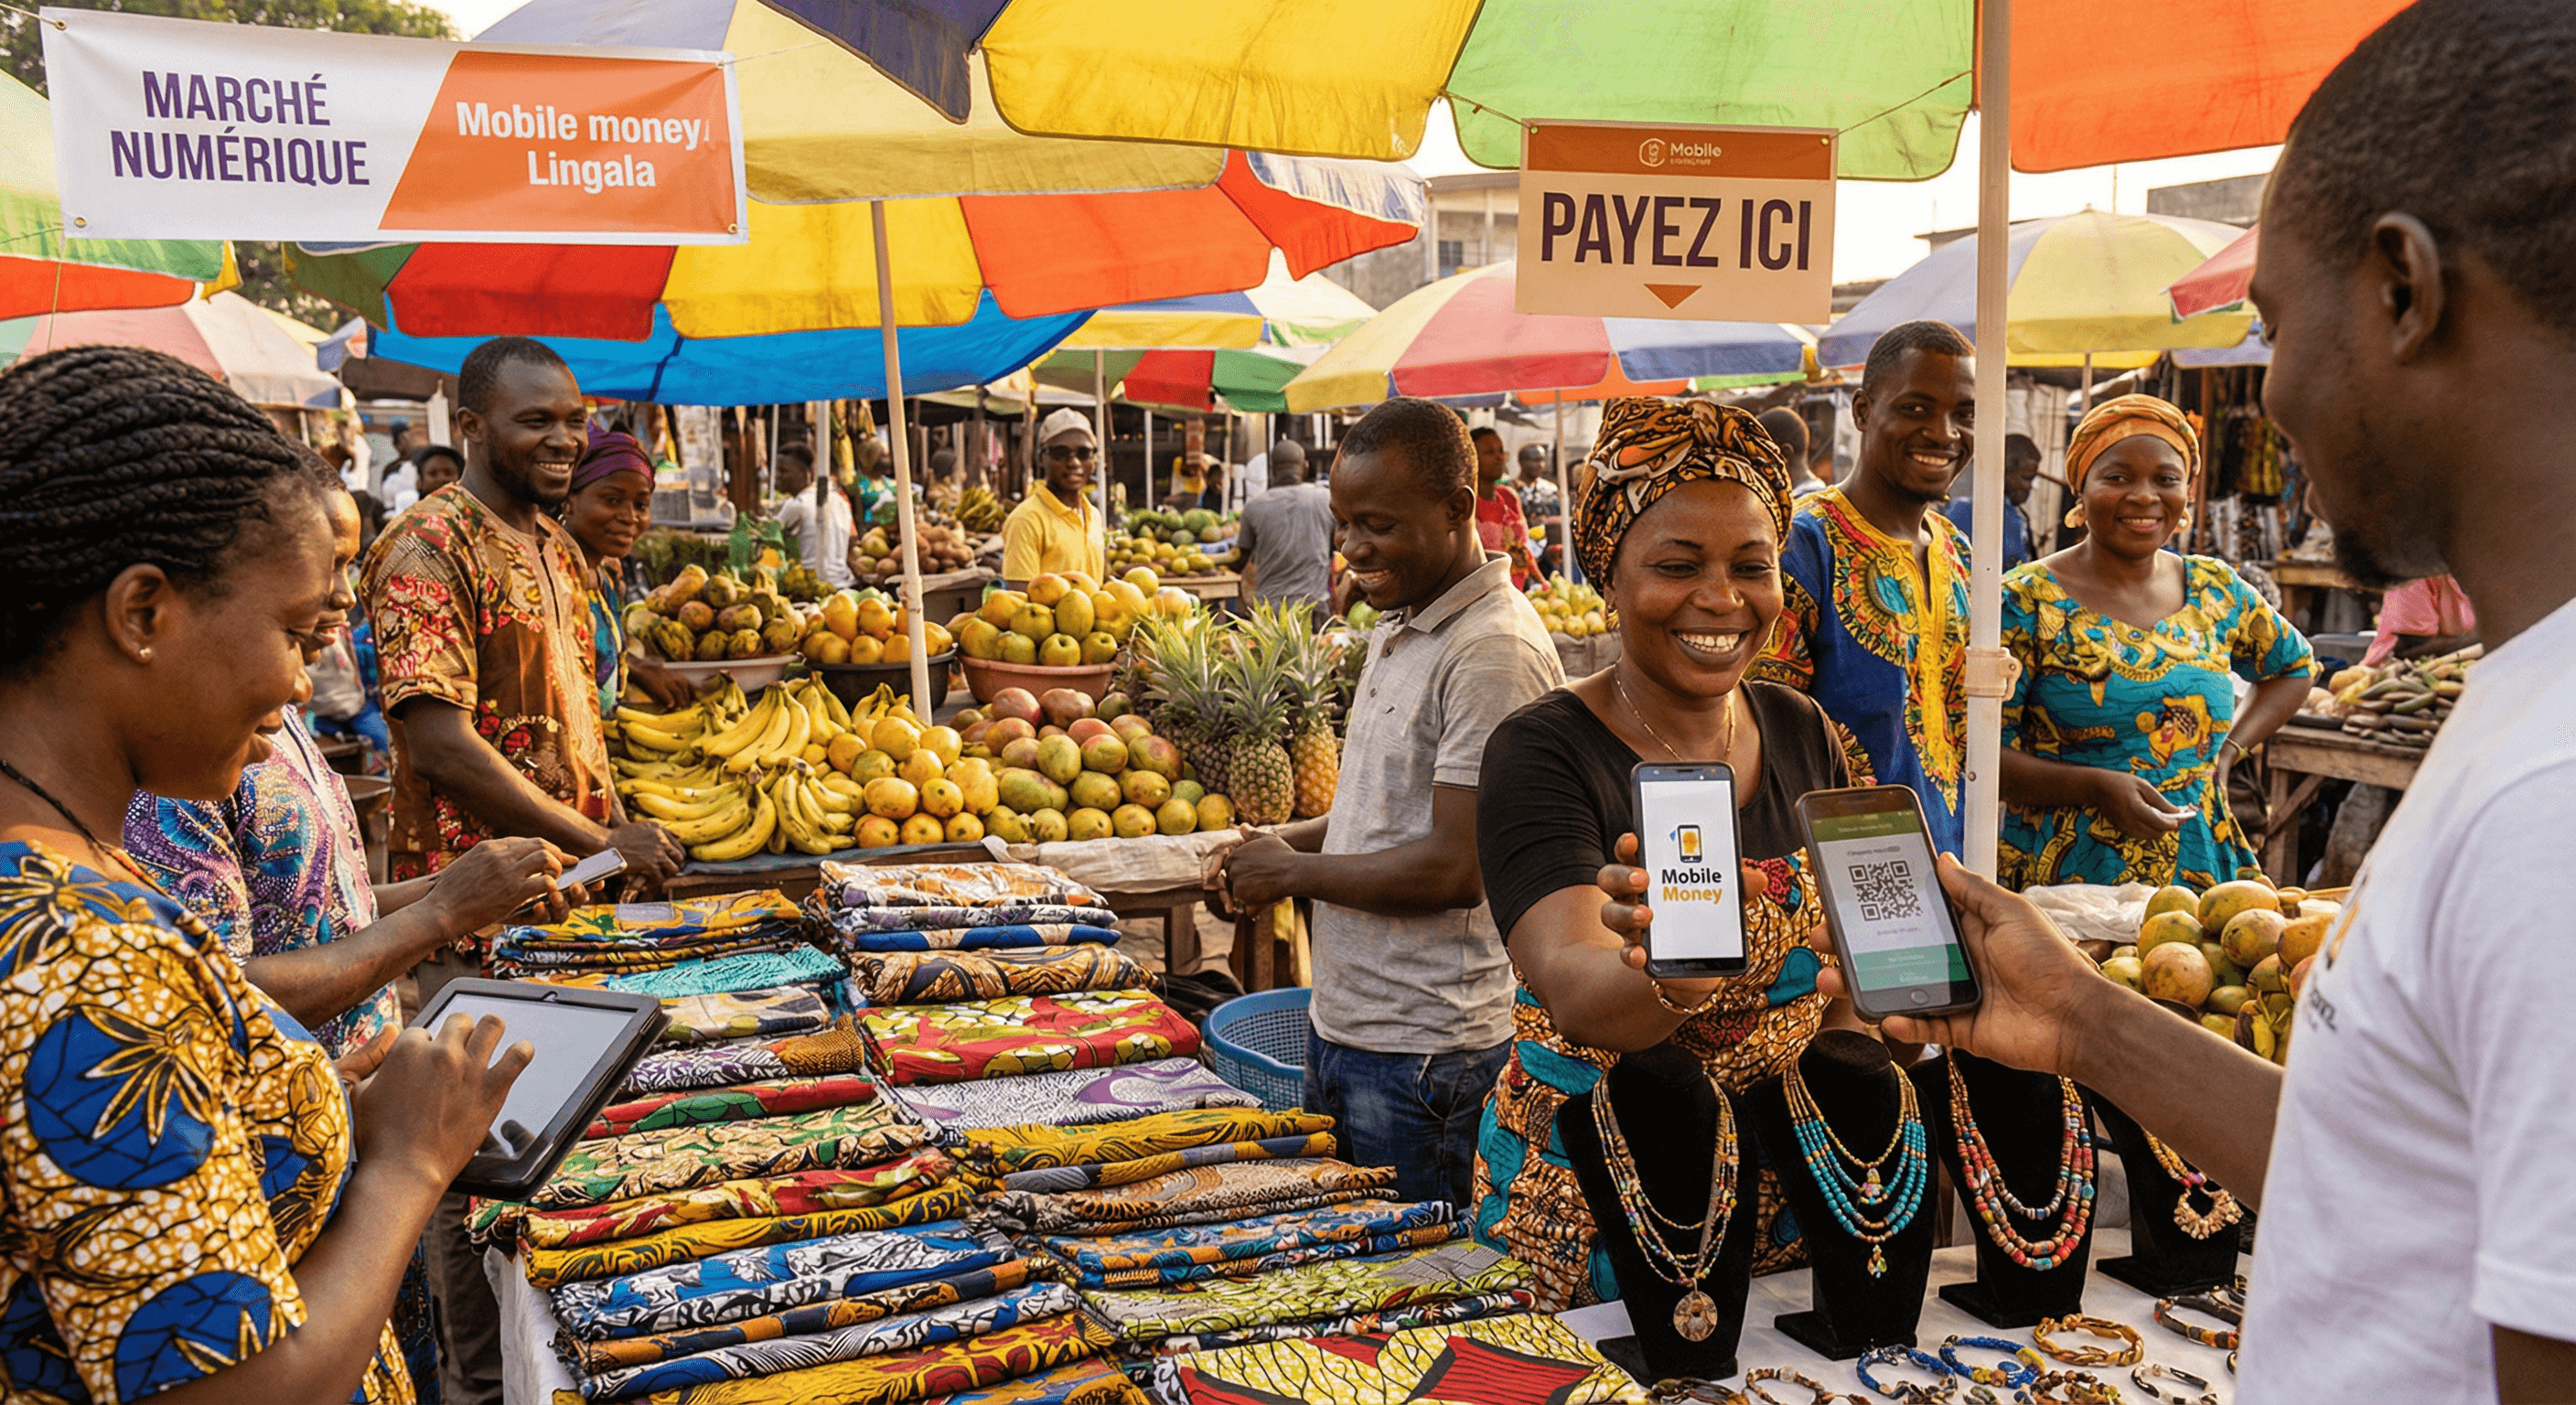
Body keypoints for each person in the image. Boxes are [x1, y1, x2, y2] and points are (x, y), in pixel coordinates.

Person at [1810, 5, 2576, 1400]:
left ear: (2401, 290)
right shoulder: (2526, 731)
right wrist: (2088, 1023)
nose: (2267, 391)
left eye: (2275, 326)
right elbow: (2403, 1188)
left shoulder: (2549, 803)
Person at [0, 341, 530, 1405]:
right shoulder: (89, 955)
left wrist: (315, 1102)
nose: (300, 681)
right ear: (142, 613)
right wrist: (407, 1163)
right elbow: (232, 1391)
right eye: (292, 633)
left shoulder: (67, 878)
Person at [1471, 397, 1877, 1308]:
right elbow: (1577, 987)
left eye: (1750, 565)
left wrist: (1881, 992)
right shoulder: (1541, 750)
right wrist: (1671, 974)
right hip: (1604, 1210)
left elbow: (1856, 975)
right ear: (1607, 576)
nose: (1721, 599)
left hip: (1789, 1203)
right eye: (1675, 566)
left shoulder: (1802, 729)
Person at [360, 338, 681, 1405]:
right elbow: (439, 739)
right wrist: (594, 842)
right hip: (466, 915)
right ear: (473, 426)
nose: (561, 438)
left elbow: (575, 724)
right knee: (469, 1161)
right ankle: (479, 1383)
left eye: (572, 419)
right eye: (534, 419)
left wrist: (618, 831)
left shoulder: (556, 543)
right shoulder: (425, 544)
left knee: (561, 1152)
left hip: (570, 913)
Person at [1211, 398, 1563, 1206]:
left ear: (1456, 511)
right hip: (1352, 1030)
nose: (1352, 548)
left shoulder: (1492, 652)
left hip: (1428, 1060)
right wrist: (1277, 843)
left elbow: (1455, 867)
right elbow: (1379, 813)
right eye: (1344, 523)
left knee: (1413, 1298)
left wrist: (1292, 875)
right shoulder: (1402, 624)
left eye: (1375, 524)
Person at [1996, 396, 2316, 891]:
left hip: (2200, 867)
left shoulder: (2215, 588)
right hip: (2069, 876)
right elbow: (1980, 755)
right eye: (2118, 477)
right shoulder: (2023, 601)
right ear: (2080, 489)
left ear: (2185, 492)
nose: (2145, 496)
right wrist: (2094, 787)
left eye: (2165, 479)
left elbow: (2294, 668)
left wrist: (2228, 752)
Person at [1753, 319, 1975, 854]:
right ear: (1862, 411)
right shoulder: (1802, 546)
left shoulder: (1960, 553)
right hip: (1839, 872)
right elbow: (1766, 735)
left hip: (1952, 865)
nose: (1944, 433)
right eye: (1915, 409)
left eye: (1964, 415)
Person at [561, 424, 695, 714]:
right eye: (611, 500)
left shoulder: (604, 582)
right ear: (568, 502)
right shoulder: (554, 583)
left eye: (641, 504)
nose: (629, 517)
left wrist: (634, 668)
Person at [1003, 407, 1106, 586]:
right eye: (1060, 453)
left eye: (1083, 453)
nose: (1074, 462)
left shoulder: (1094, 515)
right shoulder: (1026, 520)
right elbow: (1018, 604)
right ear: (1042, 459)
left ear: (1094, 459)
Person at [1234, 439, 1333, 608]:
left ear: (1272, 470)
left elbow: (1240, 560)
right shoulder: (1326, 500)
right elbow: (1339, 545)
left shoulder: (1254, 507)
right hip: (1314, 605)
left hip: (1270, 610)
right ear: (1305, 466)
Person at [1943, 431, 2042, 572]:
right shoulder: (1965, 511)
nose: (2029, 486)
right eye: (2026, 478)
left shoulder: (2016, 515)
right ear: (2003, 471)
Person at [771, 439, 856, 589]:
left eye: (783, 471)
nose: (777, 476)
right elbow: (852, 541)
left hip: (813, 588)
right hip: (845, 584)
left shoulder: (797, 505)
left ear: (803, 473)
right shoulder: (839, 500)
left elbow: (768, 539)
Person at [2361, 572, 2478, 663]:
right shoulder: (2412, 577)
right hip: (2393, 678)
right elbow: (2408, 650)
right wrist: (2484, 637)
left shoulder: (2473, 574)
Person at [1470, 426, 1537, 588]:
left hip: (1517, 593)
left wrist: (1542, 583)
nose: (1499, 457)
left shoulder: (1509, 497)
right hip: (1484, 596)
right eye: (1489, 452)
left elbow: (1523, 551)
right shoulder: (1467, 502)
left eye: (1501, 451)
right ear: (1471, 457)